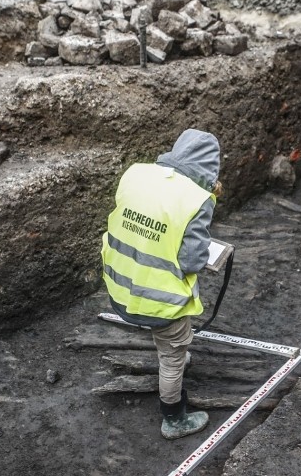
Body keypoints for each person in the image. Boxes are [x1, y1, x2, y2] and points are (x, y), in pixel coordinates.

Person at [101, 129, 221, 440]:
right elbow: (193, 261)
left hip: (121, 283)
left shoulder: (137, 173)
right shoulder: (197, 199)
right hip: (160, 301)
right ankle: (173, 419)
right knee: (172, 357)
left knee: (169, 341)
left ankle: (174, 352)